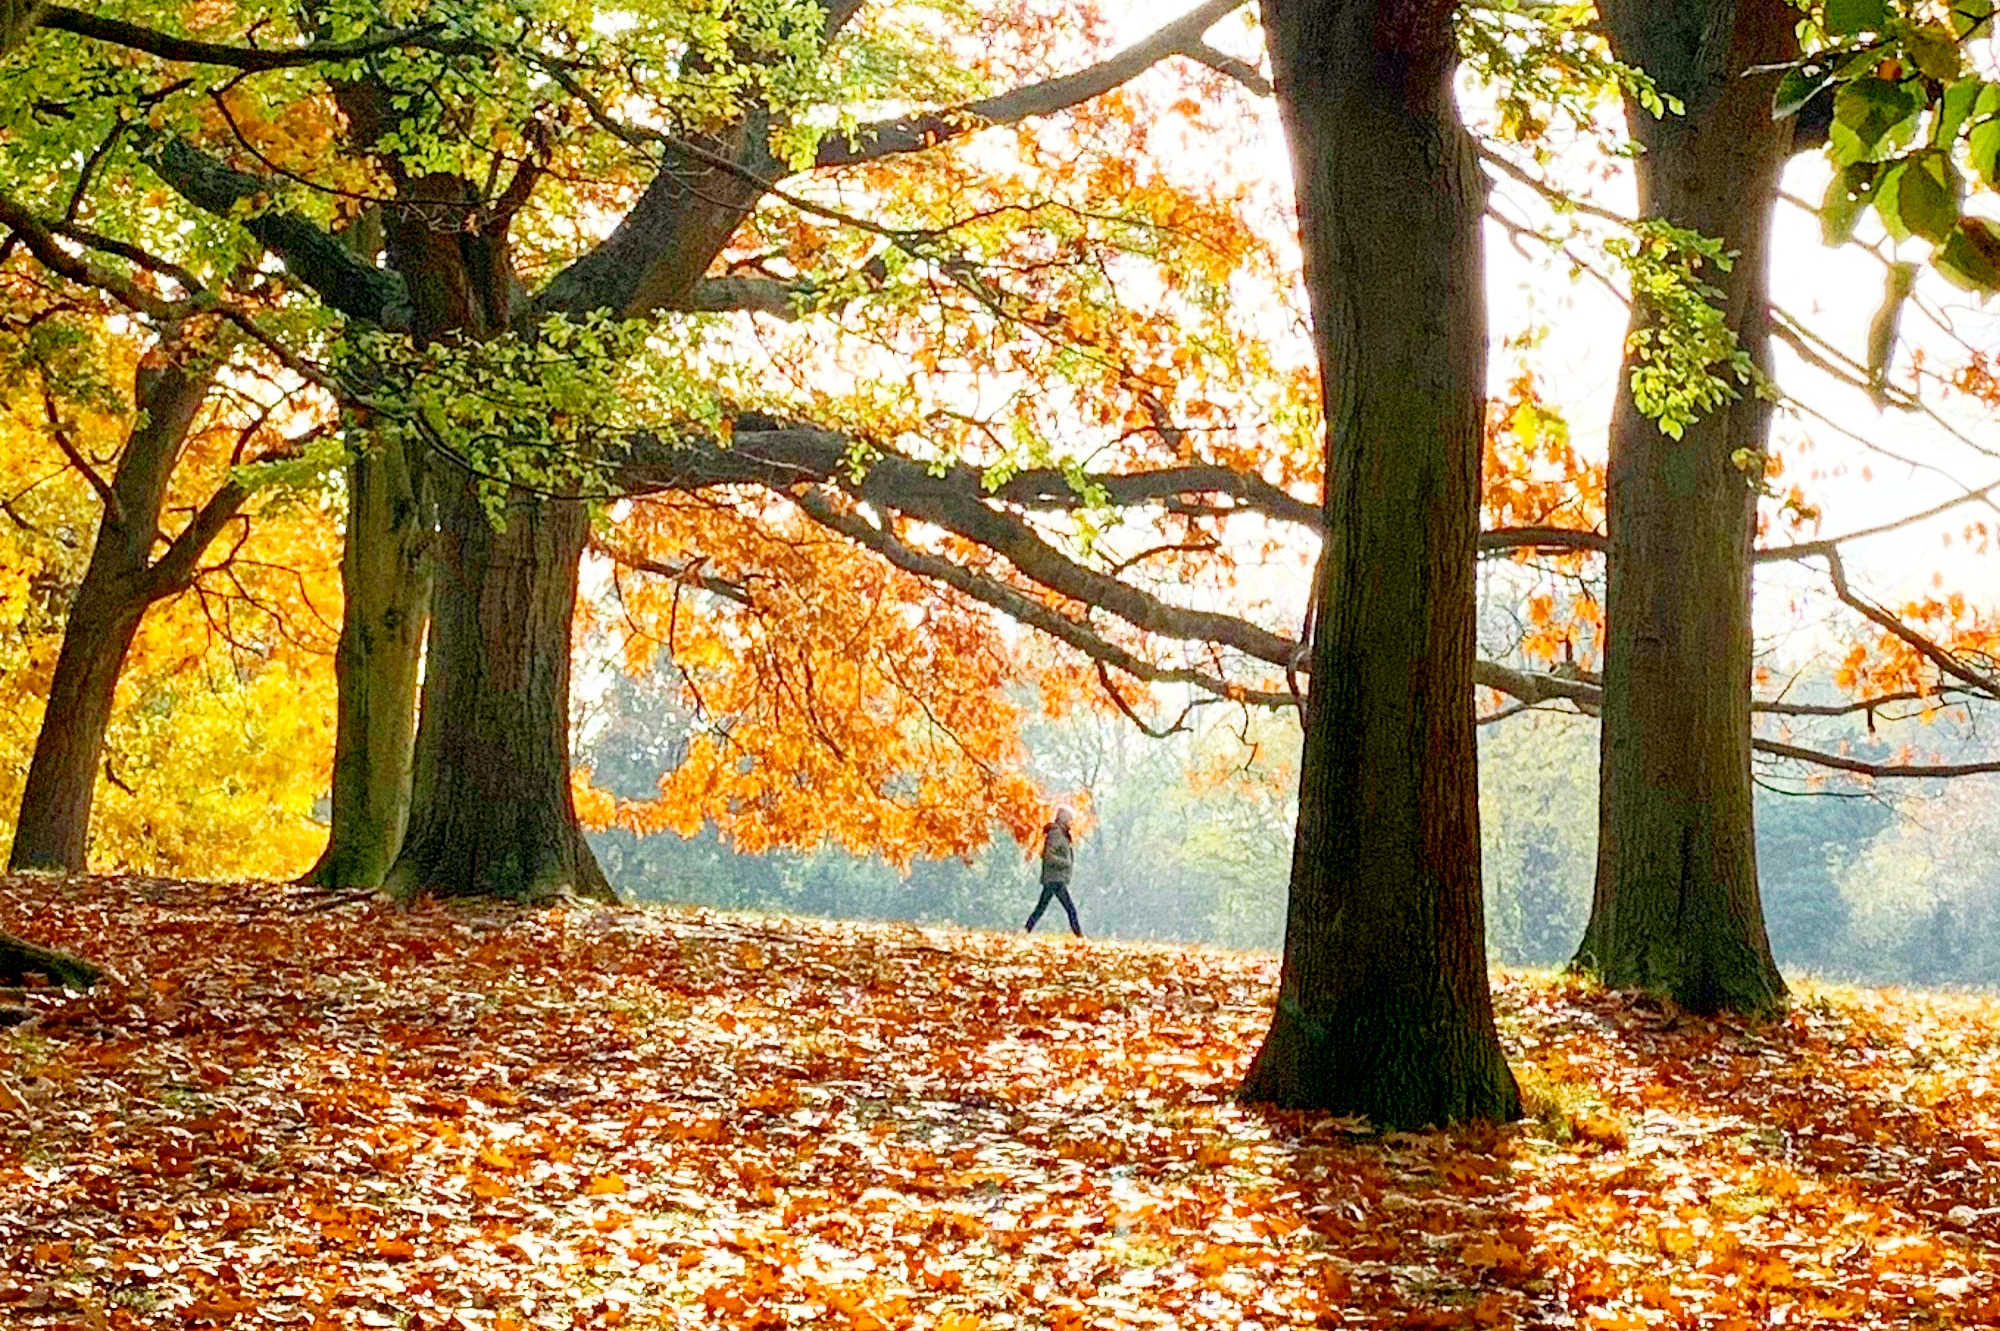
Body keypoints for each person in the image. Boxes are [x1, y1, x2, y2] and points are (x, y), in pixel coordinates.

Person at [1025, 807, 1083, 937]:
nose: (1071, 822)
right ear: (1062, 818)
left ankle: (1025, 930)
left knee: (1041, 908)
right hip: (1055, 879)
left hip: (1055, 878)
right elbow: (1048, 855)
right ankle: (1079, 936)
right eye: (1069, 819)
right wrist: (1065, 863)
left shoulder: (1062, 834)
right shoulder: (1056, 833)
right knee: (1071, 909)